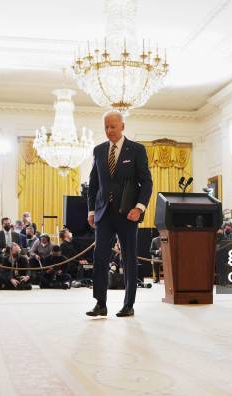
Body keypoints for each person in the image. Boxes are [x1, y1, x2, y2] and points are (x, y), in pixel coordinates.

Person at [86, 110, 153, 317]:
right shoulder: (98, 150)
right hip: (103, 214)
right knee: (100, 258)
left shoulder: (137, 150)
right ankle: (100, 303)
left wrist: (139, 208)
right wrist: (90, 210)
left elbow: (146, 182)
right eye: (106, 127)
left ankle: (128, 305)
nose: (109, 131)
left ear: (122, 126)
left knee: (129, 258)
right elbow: (93, 184)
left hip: (127, 215)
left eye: (113, 126)